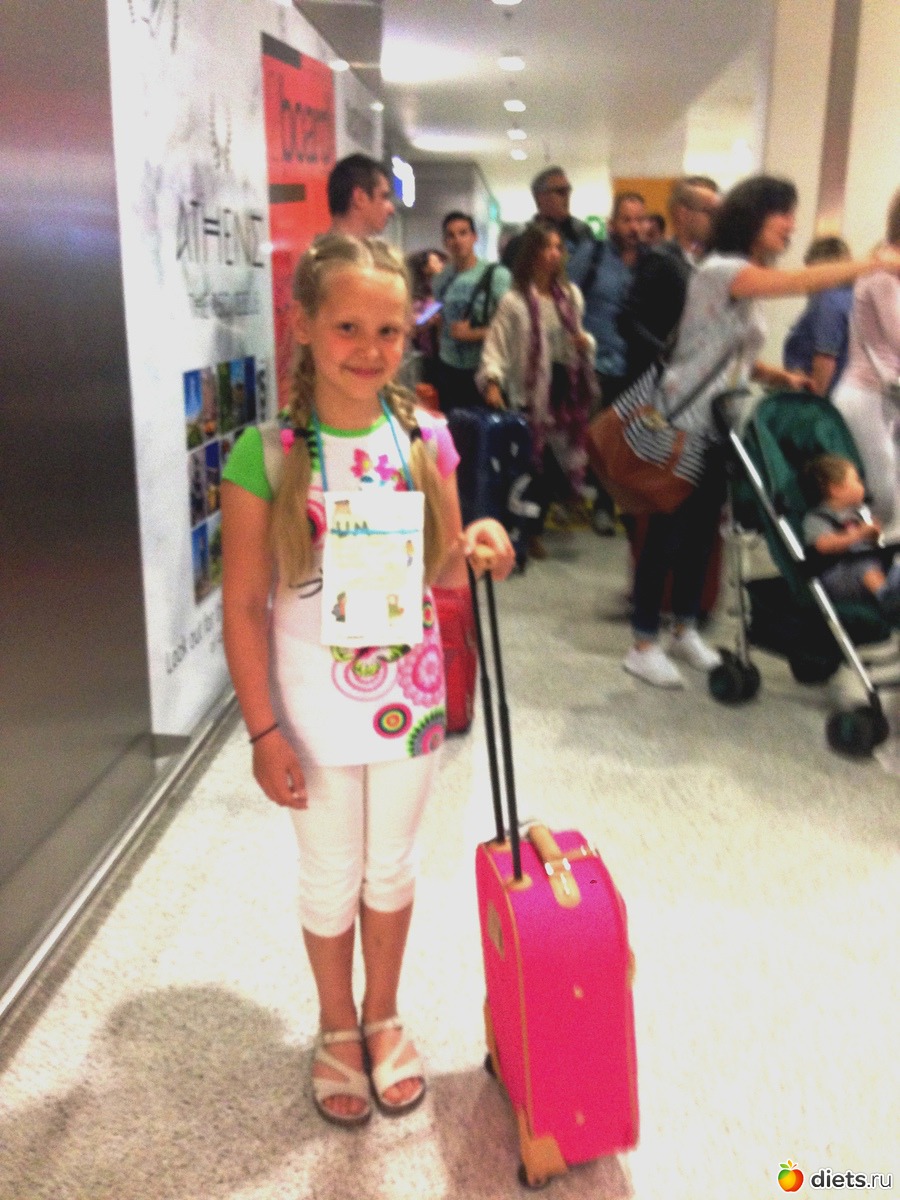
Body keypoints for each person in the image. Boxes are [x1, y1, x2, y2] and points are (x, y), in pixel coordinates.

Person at [220, 234, 514, 1128]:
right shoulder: (264, 454)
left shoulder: (427, 437)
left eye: (388, 330)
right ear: (304, 325)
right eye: (347, 326)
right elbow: (244, 606)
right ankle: (335, 1023)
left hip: (407, 699)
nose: (369, 347)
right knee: (328, 870)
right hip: (309, 708)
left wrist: (483, 541)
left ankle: (382, 1012)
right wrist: (263, 730)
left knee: (392, 865)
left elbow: (445, 569)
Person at [623, 174, 900, 689]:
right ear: (753, 216)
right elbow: (793, 283)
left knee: (702, 533)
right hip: (683, 421)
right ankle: (642, 642)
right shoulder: (724, 270)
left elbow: (730, 351)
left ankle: (683, 628)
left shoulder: (742, 277)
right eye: (783, 214)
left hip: (719, 423)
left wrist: (778, 376)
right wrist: (873, 262)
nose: (791, 226)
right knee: (666, 532)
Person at [477, 219, 597, 559]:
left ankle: (538, 523)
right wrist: (493, 381)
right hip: (530, 393)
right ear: (531, 254)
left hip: (563, 389)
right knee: (530, 465)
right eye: (546, 247)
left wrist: (584, 343)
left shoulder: (570, 297)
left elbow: (581, 337)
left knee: (554, 467)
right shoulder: (514, 302)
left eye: (559, 247)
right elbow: (496, 345)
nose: (554, 254)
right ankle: (525, 530)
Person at [569, 191, 647, 534]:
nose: (634, 227)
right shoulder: (593, 255)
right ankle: (602, 503)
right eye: (627, 220)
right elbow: (567, 298)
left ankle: (628, 506)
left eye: (639, 220)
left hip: (638, 365)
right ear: (613, 223)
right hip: (598, 363)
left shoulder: (652, 261)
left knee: (633, 439)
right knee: (602, 437)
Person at [832, 188, 900, 532]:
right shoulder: (883, 271)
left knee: (886, 495)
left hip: (883, 396)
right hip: (865, 394)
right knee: (881, 497)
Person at [619, 175, 721, 384]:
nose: (715, 220)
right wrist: (666, 353)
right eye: (708, 212)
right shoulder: (661, 259)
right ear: (683, 214)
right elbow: (628, 319)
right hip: (660, 380)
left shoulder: (706, 262)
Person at [802, 454, 900, 621]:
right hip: (837, 573)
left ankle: (893, 594)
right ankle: (887, 599)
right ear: (836, 489)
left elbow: (870, 544)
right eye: (857, 480)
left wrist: (873, 535)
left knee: (891, 564)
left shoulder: (857, 513)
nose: (862, 485)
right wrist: (858, 534)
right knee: (864, 564)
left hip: (866, 565)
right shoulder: (817, 518)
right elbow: (822, 545)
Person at [432, 212, 512, 412]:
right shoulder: (440, 280)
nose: (457, 240)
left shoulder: (497, 275)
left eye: (463, 233)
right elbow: (441, 317)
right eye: (451, 235)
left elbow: (510, 327)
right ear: (445, 242)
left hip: (483, 370)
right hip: (447, 368)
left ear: (474, 237)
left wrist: (474, 334)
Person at [783, 236, 854, 396]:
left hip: (819, 393)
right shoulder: (850, 296)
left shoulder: (827, 299)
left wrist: (814, 403)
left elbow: (825, 356)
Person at [500, 166, 595, 273]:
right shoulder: (521, 241)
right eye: (560, 192)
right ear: (539, 197)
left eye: (568, 190)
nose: (567, 196)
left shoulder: (583, 233)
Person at [326, 154, 396, 238]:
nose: (391, 209)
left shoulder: (321, 246)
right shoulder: (339, 247)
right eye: (384, 197)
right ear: (359, 198)